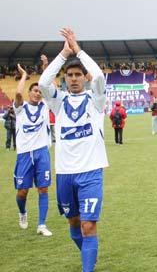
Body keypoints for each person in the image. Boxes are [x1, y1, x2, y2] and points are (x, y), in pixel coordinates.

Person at [39, 28, 109, 271]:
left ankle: (87, 267)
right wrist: (63, 54)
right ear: (65, 78)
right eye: (70, 75)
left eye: (79, 74)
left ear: (84, 77)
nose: (75, 78)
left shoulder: (96, 101)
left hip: (91, 172)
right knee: (74, 223)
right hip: (65, 174)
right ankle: (89, 255)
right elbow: (42, 83)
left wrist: (78, 49)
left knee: (88, 226)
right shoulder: (59, 103)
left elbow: (99, 77)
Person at [13, 64, 52, 236]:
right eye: (34, 90)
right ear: (30, 93)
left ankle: (42, 225)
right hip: (24, 155)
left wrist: (46, 68)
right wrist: (24, 76)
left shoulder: (45, 106)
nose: (38, 93)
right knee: (22, 191)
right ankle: (22, 213)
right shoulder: (21, 109)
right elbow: (18, 94)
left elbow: (50, 86)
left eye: (39, 91)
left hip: (41, 152)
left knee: (43, 189)